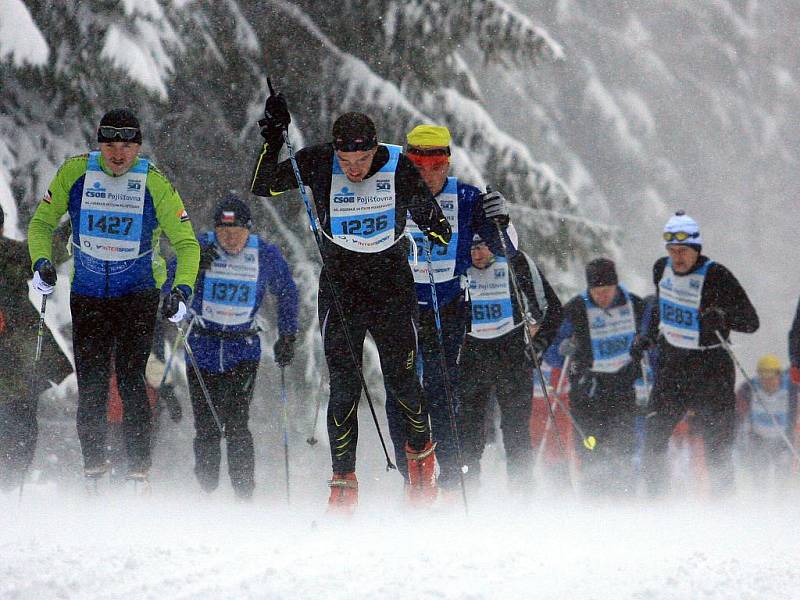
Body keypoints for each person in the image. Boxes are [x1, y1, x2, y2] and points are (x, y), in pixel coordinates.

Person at [250, 94, 452, 512]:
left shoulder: (398, 165)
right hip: (342, 289)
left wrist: (435, 226)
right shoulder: (319, 162)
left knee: (403, 382)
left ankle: (420, 463)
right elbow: (263, 184)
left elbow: (432, 218)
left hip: (392, 286)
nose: (353, 169)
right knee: (343, 386)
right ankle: (343, 483)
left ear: (375, 150)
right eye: (346, 160)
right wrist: (273, 136)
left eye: (360, 160)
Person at [27, 108, 200, 485]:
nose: (118, 155)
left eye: (126, 146)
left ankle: (139, 474)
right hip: (88, 294)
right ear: (99, 145)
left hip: (137, 294)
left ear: (138, 147)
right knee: (91, 386)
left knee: (130, 379)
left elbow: (187, 244)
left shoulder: (153, 181)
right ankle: (94, 475)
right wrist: (42, 263)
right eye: (109, 146)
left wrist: (182, 290)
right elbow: (41, 223)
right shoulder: (76, 173)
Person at [383, 124, 512, 496]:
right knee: (401, 391)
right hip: (400, 308)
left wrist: (503, 220)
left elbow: (508, 250)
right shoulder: (388, 195)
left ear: (447, 164)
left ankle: (452, 475)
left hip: (449, 307)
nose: (427, 175)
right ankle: (413, 477)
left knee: (443, 390)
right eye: (418, 166)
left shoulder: (467, 198)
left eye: (436, 166)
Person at [183, 195, 298, 500]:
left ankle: (243, 494)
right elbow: (169, 280)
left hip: (242, 350)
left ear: (248, 230)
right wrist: (192, 269)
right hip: (201, 349)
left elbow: (286, 291)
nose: (230, 239)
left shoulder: (264, 254)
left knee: (236, 423)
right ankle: (206, 488)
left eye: (237, 232)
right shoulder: (201, 247)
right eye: (223, 232)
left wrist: (288, 335)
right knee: (206, 425)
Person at [640, 211, 758, 497]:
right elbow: (661, 305)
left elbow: (751, 322)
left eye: (683, 251)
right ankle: (656, 503)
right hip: (672, 366)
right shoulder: (661, 268)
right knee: (654, 436)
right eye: (672, 251)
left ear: (696, 249)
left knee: (717, 446)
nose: (677, 258)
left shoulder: (717, 275)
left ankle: (722, 505)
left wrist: (722, 317)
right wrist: (646, 335)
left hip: (710, 369)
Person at [459, 233, 562, 495]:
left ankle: (522, 495)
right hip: (472, 357)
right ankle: (467, 494)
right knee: (469, 433)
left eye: (483, 246)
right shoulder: (457, 263)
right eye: (471, 248)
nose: (477, 255)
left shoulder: (516, 262)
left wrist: (537, 348)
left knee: (516, 431)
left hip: (511, 356)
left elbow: (553, 309)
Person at [544, 258, 645, 496]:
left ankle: (625, 499)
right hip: (587, 393)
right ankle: (594, 501)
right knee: (590, 448)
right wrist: (562, 350)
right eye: (596, 292)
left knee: (623, 448)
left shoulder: (634, 305)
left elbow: (652, 336)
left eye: (606, 291)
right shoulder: (575, 309)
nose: (601, 297)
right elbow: (552, 352)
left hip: (623, 389)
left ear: (616, 286)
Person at [0, 206, 72, 490]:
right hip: (18, 370)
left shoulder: (9, 257)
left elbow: (48, 250)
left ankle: (10, 491)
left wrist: (76, 220)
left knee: (19, 440)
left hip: (17, 369)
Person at [735, 354, 798, 490]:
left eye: (772, 378)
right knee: (759, 479)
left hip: (783, 441)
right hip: (759, 439)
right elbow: (738, 415)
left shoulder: (791, 388)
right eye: (764, 378)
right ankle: (760, 506)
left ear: (779, 375)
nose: (768, 383)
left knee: (783, 480)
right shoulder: (749, 388)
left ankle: (782, 506)